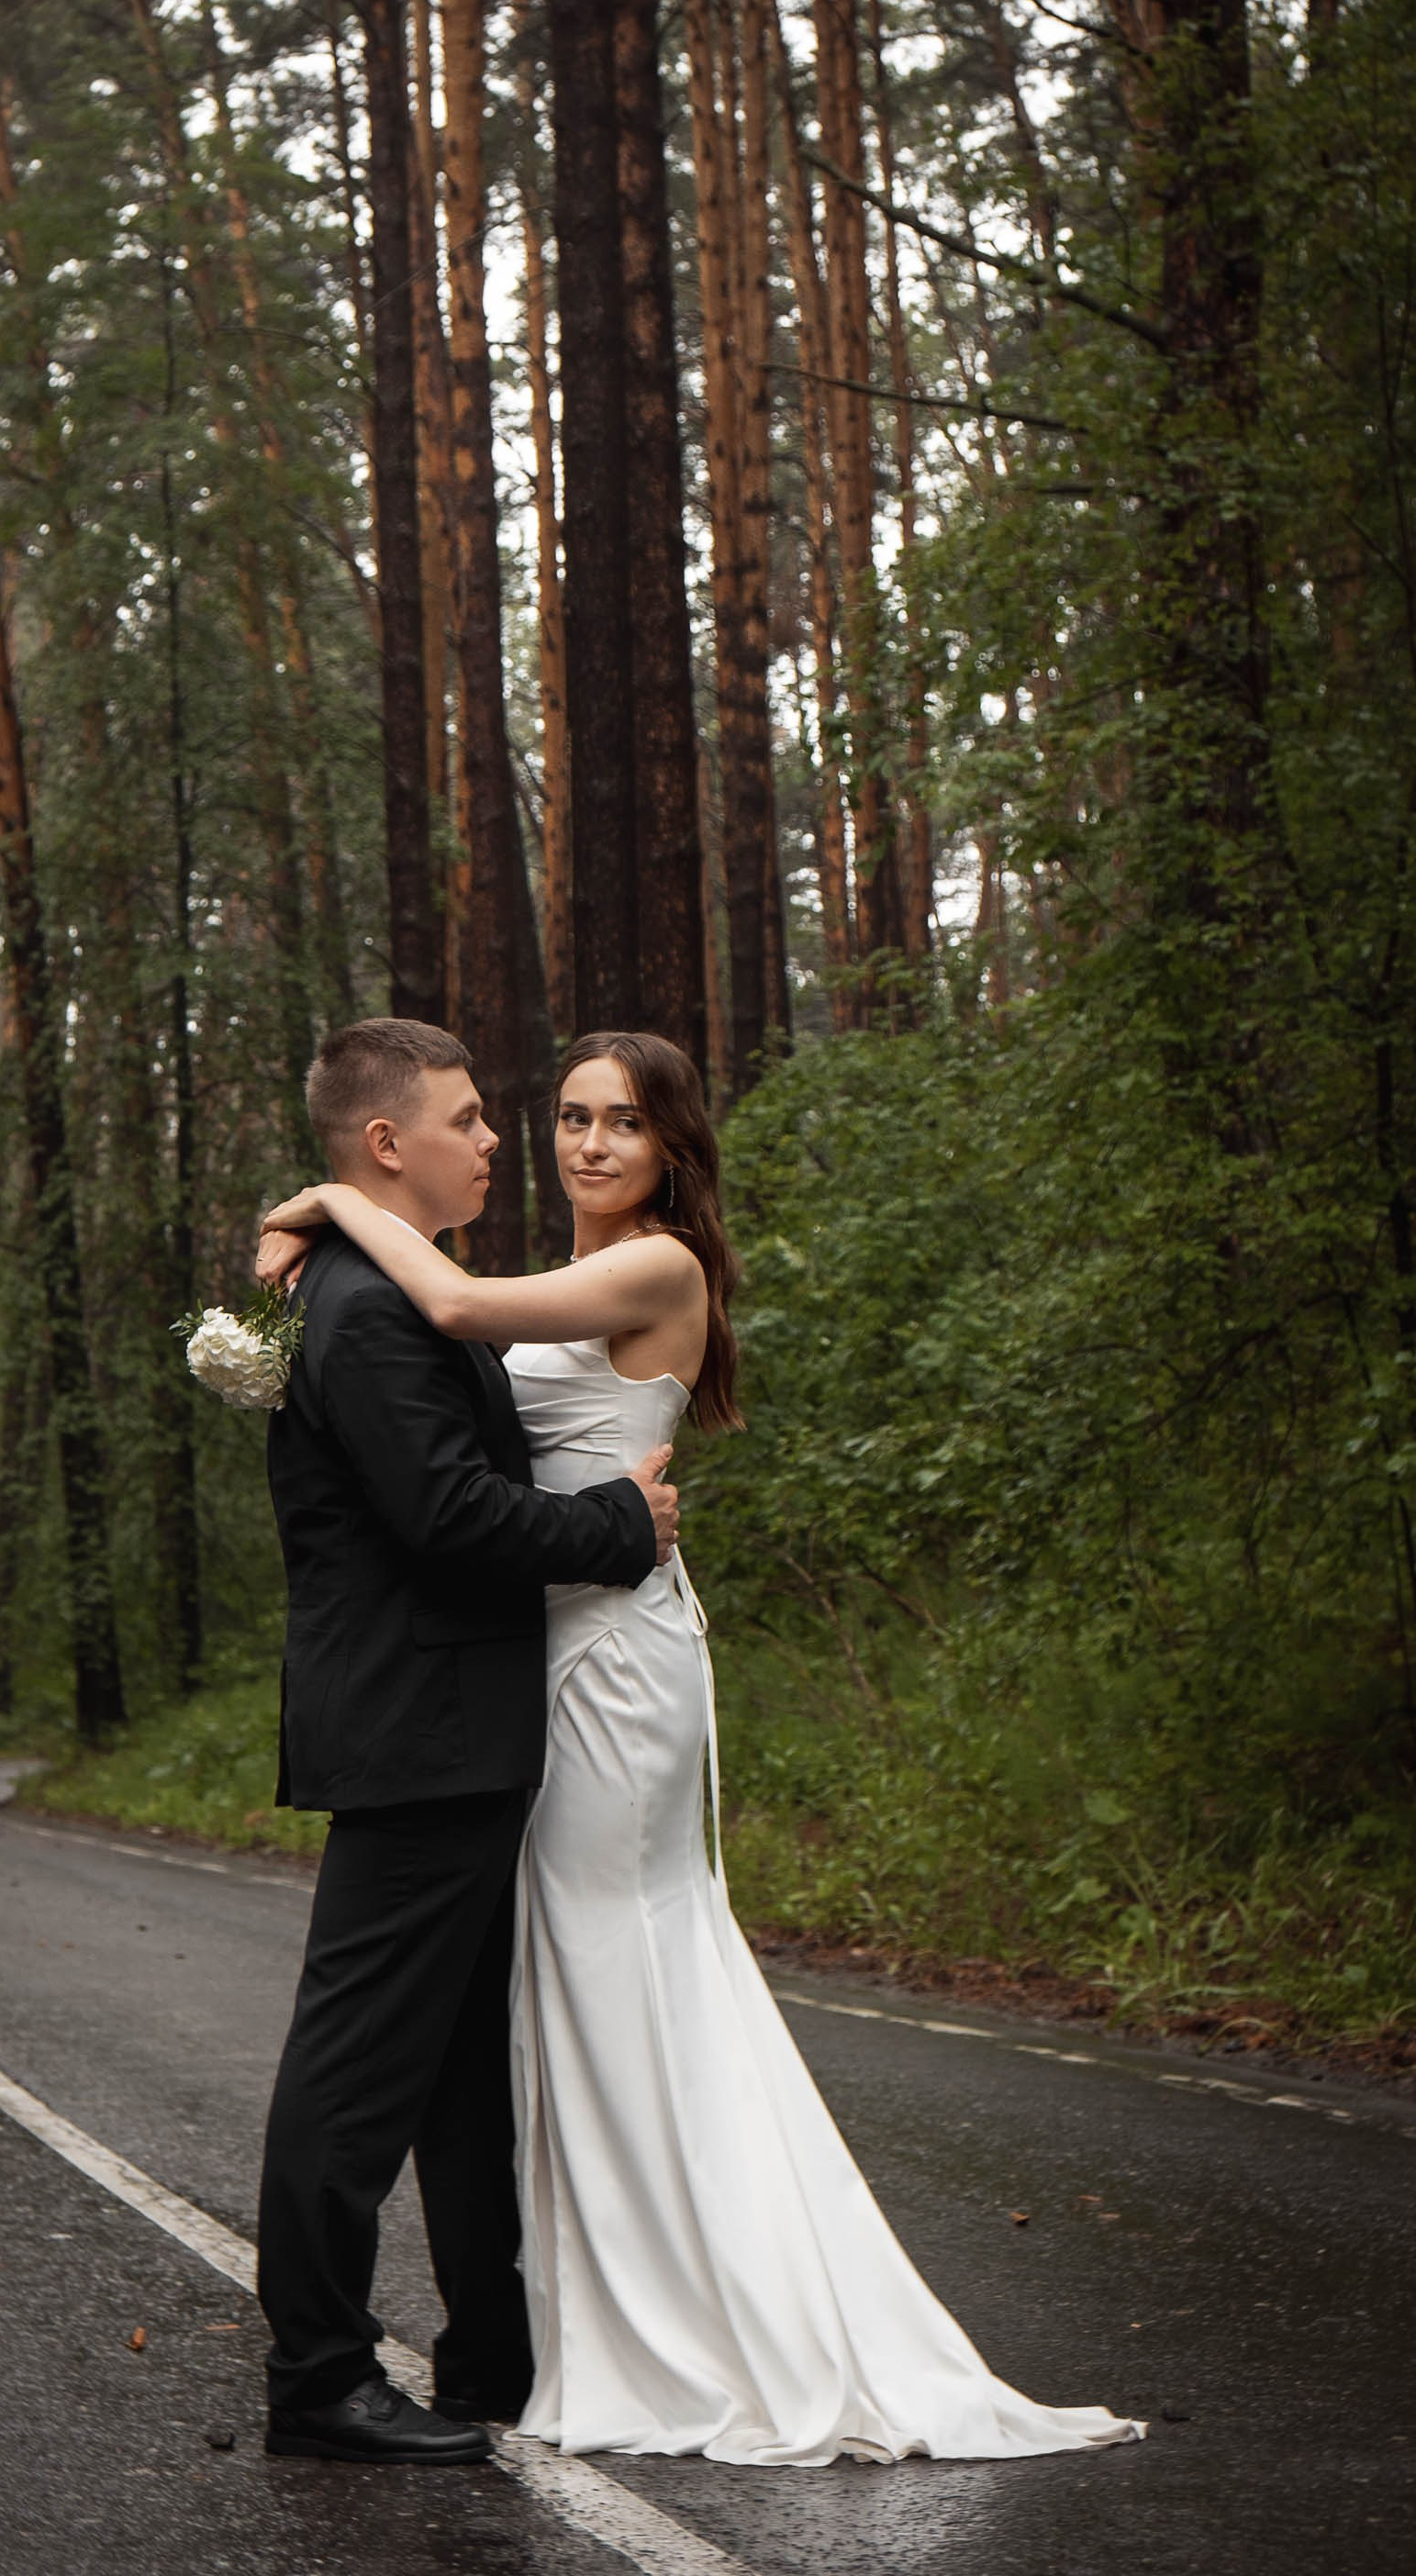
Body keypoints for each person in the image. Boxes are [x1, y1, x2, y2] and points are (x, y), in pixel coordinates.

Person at [257, 1027, 1144, 2470]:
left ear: (674, 1149)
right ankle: (538, 2331)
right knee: (522, 2012)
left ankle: (685, 2312)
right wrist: (334, 1213)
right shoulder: (492, 1277)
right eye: (557, 1117)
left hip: (608, 1662)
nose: (574, 1143)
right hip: (509, 1670)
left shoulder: (648, 1266)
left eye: (620, 1123)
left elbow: (462, 1314)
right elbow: (449, 1413)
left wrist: (323, 1206)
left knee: (617, 1971)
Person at [253, 1018, 681, 2467]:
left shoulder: (380, 1284)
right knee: (362, 2064)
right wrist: (622, 1527)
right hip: (418, 1725)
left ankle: (488, 2348)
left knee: (452, 2072)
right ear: (389, 1145)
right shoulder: (371, 1310)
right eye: (470, 1118)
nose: (501, 1140)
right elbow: (450, 1521)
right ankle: (319, 2375)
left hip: (457, 1725)